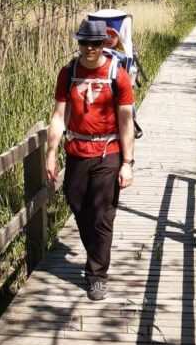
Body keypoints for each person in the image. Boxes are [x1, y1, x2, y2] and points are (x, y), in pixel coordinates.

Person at [45, 18, 135, 301]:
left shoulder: (117, 75)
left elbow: (126, 121)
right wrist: (51, 153)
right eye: (84, 42)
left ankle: (97, 275)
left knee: (101, 216)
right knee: (77, 203)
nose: (89, 49)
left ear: (103, 44)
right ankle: (95, 252)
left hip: (108, 152)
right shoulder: (68, 72)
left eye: (95, 43)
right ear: (79, 43)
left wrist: (127, 163)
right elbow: (59, 116)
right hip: (76, 152)